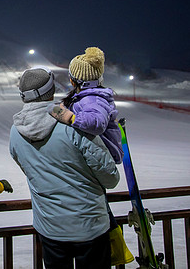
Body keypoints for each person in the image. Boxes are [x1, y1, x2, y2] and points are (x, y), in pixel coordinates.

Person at [9, 67, 120, 269]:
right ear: (51, 90)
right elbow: (110, 177)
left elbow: (29, 169)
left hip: (50, 228)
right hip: (90, 227)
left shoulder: (15, 132)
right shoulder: (71, 122)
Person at [48, 46, 123, 164]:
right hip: (92, 154)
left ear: (73, 81)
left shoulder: (92, 99)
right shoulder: (86, 98)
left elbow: (97, 123)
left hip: (99, 158)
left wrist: (69, 117)